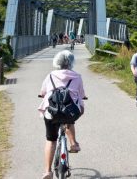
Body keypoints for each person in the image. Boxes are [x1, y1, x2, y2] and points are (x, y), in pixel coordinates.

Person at [37, 50, 86, 179]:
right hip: (70, 113)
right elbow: (81, 94)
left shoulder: (50, 76)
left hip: (52, 112)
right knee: (70, 117)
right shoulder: (77, 76)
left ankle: (47, 171)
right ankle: (73, 143)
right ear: (71, 63)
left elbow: (43, 92)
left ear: (57, 62)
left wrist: (44, 94)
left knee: (51, 140)